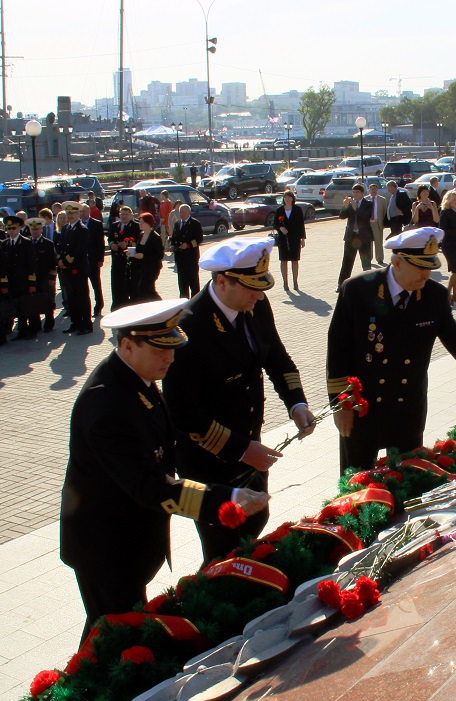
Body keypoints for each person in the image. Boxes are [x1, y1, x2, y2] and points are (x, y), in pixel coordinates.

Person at [60, 298, 269, 642]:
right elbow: (149, 486)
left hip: (127, 537)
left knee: (116, 630)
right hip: (105, 547)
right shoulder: (106, 405)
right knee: (114, 639)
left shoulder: (133, 378)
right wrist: (225, 498)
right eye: (160, 349)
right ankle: (74, 694)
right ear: (127, 346)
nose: (170, 357)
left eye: (172, 347)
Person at [162, 237, 314, 566]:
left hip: (249, 448)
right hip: (211, 462)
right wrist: (243, 450)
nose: (259, 296)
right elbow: (184, 415)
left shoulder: (254, 304)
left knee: (255, 524)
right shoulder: (188, 327)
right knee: (223, 547)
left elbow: (277, 358)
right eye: (250, 288)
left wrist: (297, 403)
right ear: (221, 281)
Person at [327, 227, 456, 471]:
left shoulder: (434, 296)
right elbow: (337, 351)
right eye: (421, 267)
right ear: (396, 262)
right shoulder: (357, 290)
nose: (427, 275)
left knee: (409, 479)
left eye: (430, 267)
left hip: (407, 408)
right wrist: (341, 404)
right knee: (357, 486)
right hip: (363, 409)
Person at [56, 202, 93, 335]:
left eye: (73, 213)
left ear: (78, 214)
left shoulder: (82, 229)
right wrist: (60, 260)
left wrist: (65, 261)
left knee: (82, 296)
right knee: (71, 297)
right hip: (67, 269)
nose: (70, 216)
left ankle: (86, 324)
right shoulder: (66, 228)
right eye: (68, 213)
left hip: (78, 268)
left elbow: (80, 251)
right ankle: (75, 322)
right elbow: (62, 247)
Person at [0, 215, 38, 342]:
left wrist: (32, 283)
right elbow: (3, 266)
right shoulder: (4, 244)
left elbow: (32, 264)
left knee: (27, 306)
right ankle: (21, 330)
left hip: (24, 281)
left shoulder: (26, 242)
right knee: (16, 307)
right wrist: (4, 284)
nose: (11, 231)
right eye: (8, 228)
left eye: (13, 228)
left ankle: (31, 331)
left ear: (19, 228)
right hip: (12, 282)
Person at [338, 183, 375, 288]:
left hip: (364, 237)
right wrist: (345, 206)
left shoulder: (368, 204)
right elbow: (342, 216)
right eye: (353, 192)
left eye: (357, 192)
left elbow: (366, 217)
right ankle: (341, 284)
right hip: (351, 237)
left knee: (366, 262)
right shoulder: (350, 203)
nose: (355, 194)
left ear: (362, 193)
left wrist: (356, 209)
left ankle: (369, 285)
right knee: (347, 261)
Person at [26, 216, 57, 335]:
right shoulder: (27, 243)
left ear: (41, 230)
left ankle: (49, 323)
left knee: (47, 300)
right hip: (33, 278)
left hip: (45, 277)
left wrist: (52, 278)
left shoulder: (48, 244)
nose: (34, 232)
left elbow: (52, 263)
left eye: (37, 229)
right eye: (32, 230)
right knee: (33, 302)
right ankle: (35, 325)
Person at [108, 205, 140, 309]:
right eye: (122, 214)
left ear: (131, 215)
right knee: (116, 284)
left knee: (128, 286)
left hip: (129, 261)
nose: (124, 216)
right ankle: (116, 305)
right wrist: (112, 244)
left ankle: (128, 305)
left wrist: (128, 245)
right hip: (117, 260)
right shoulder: (114, 225)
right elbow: (110, 238)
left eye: (126, 214)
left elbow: (138, 243)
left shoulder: (136, 226)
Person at [274, 190, 306, 291]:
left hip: (295, 238)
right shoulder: (279, 210)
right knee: (283, 260)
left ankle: (295, 282)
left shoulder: (297, 209)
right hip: (283, 239)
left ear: (292, 198)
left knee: (295, 260)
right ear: (283, 199)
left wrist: (302, 238)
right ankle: (285, 283)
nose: (287, 199)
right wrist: (280, 228)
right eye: (285, 197)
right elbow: (275, 223)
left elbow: (301, 224)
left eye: (289, 197)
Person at [79, 199, 106, 317]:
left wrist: (101, 259)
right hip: (81, 261)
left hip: (94, 260)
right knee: (83, 287)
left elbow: (100, 243)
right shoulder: (78, 225)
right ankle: (85, 308)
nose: (82, 214)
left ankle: (99, 306)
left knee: (96, 285)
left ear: (89, 211)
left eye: (84, 211)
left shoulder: (96, 224)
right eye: (80, 212)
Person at [170, 204, 204, 298]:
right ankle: (183, 301)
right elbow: (174, 237)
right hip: (180, 257)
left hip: (191, 257)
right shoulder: (177, 224)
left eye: (183, 212)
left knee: (193, 282)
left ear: (189, 212)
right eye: (180, 212)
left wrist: (188, 245)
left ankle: (195, 301)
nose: (181, 214)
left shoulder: (194, 223)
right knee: (182, 282)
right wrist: (172, 245)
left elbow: (199, 239)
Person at [129, 213, 164, 303]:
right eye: (139, 222)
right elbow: (139, 249)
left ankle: (157, 307)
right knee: (150, 290)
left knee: (143, 290)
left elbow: (159, 255)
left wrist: (144, 256)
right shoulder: (141, 235)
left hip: (152, 268)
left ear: (148, 223)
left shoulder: (155, 237)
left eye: (142, 222)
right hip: (142, 267)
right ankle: (161, 307)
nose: (139, 224)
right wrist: (132, 252)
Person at [367, 182, 387, 266]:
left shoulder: (382, 200)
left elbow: (385, 212)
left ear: (377, 190)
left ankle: (379, 258)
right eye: (372, 189)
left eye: (375, 189)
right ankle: (368, 259)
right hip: (368, 224)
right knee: (368, 242)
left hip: (378, 223)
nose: (374, 191)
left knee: (378, 242)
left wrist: (384, 224)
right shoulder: (365, 199)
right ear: (369, 190)